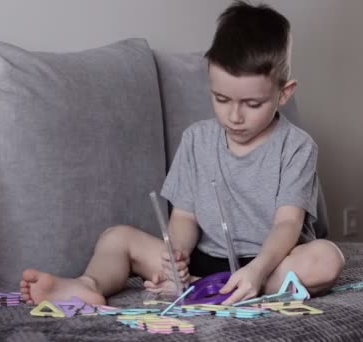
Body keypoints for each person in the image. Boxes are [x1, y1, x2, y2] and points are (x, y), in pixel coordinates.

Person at [19, 0, 345, 306]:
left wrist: (257, 271)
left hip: (271, 260)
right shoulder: (196, 140)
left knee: (327, 260)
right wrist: (175, 259)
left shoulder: (298, 147)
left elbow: (287, 225)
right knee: (116, 238)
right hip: (205, 258)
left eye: (252, 104)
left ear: (284, 94)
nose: (234, 116)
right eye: (221, 99)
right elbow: (185, 216)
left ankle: (235, 286)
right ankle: (88, 285)